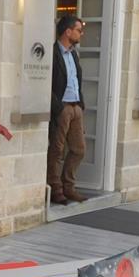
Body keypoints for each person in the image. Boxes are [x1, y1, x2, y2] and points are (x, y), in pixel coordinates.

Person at [48, 15, 87, 206]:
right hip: (62, 107)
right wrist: (58, 107)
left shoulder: (73, 54)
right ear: (68, 31)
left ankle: (68, 186)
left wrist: (80, 105)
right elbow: (47, 83)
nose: (81, 33)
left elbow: (76, 80)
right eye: (79, 30)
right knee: (57, 150)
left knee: (79, 149)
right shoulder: (53, 53)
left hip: (75, 106)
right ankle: (55, 189)